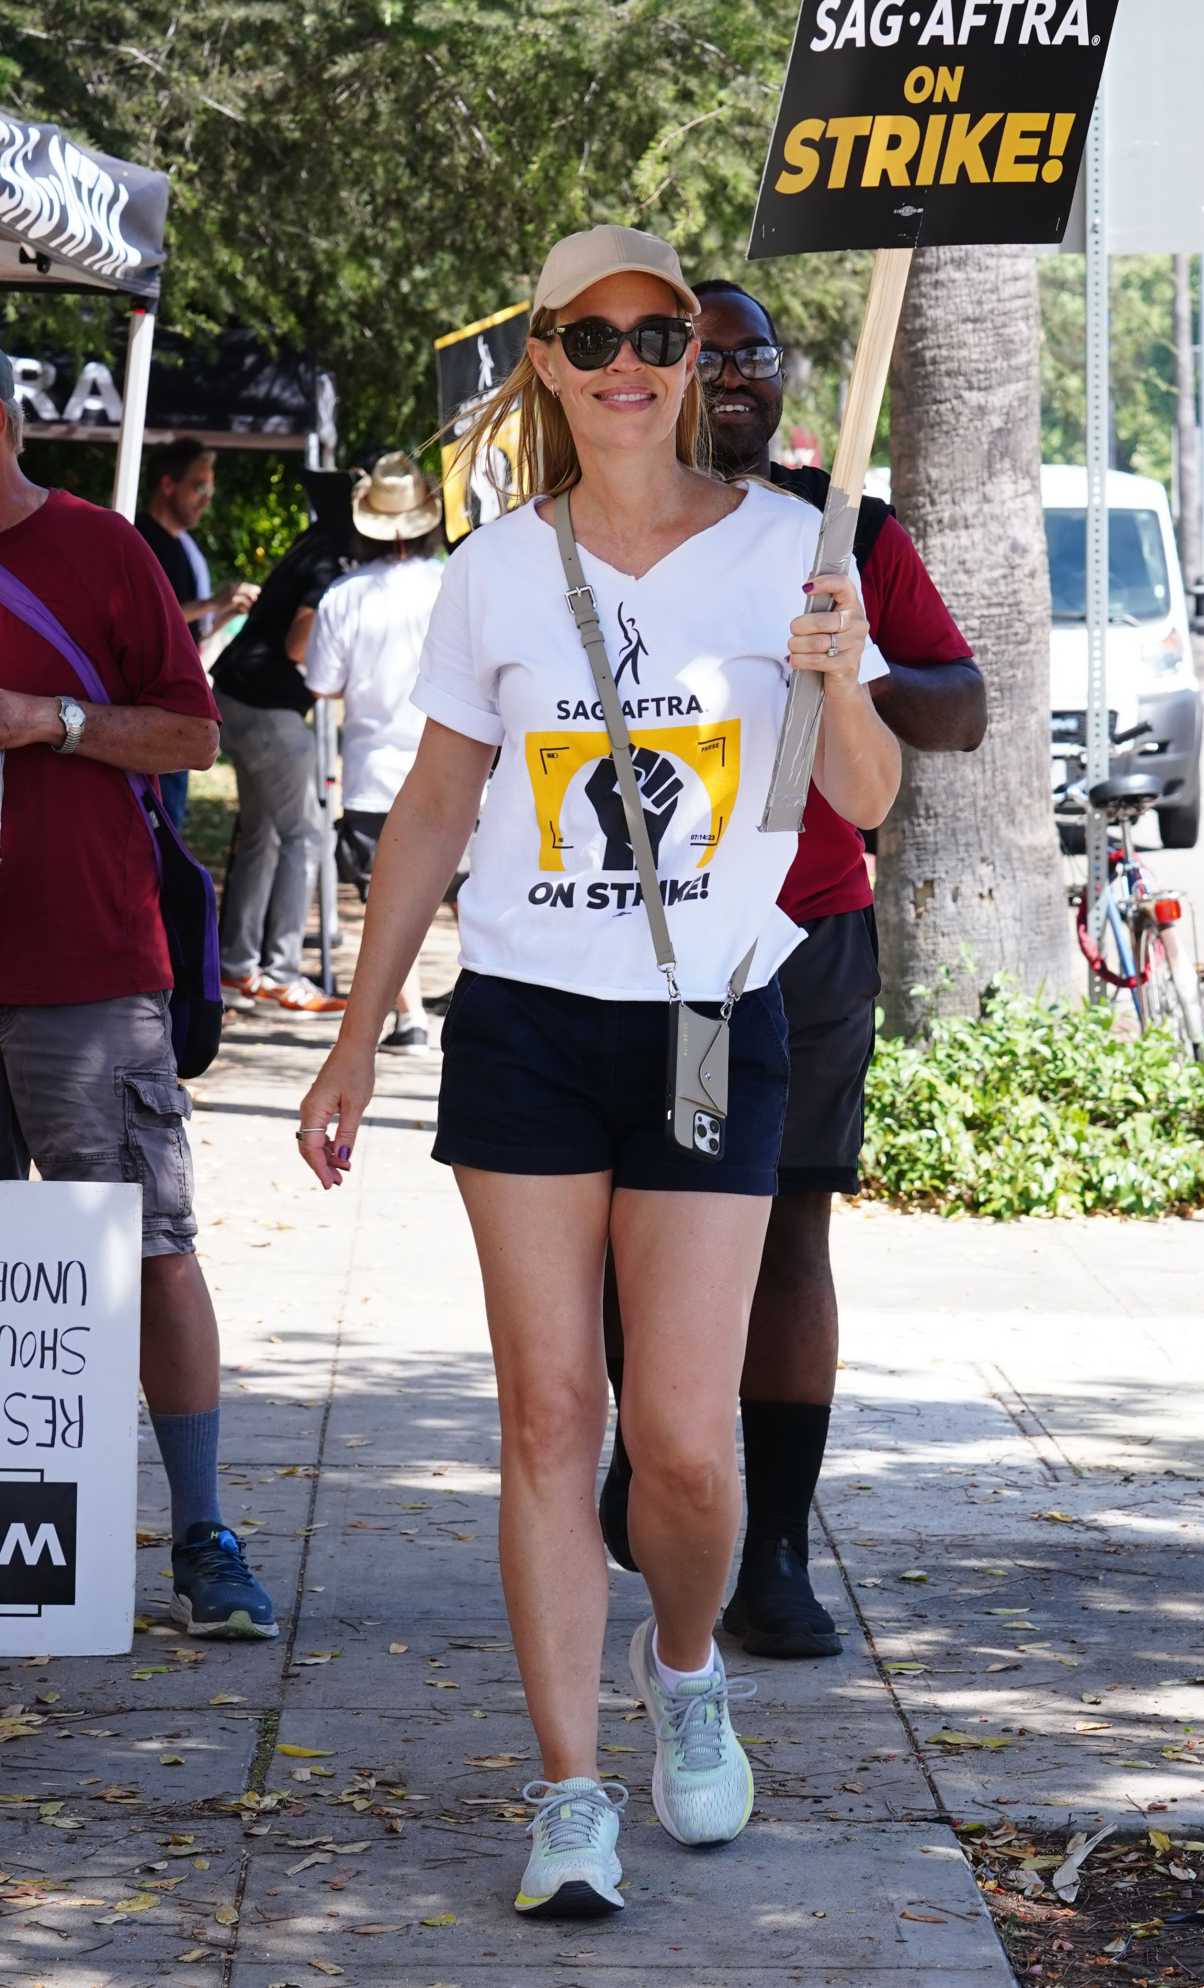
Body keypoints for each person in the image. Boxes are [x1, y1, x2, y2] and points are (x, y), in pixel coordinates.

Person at [296, 226, 901, 1918]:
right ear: (547, 365)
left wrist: (837, 668)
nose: (632, 360)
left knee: (688, 1447)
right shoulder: (496, 570)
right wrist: (359, 1032)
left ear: (698, 360)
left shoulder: (794, 545)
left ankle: (686, 1659)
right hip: (529, 1023)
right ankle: (569, 1793)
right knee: (550, 1414)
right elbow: (430, 808)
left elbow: (861, 801)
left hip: (711, 1015)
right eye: (594, 336)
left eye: (663, 332)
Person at [598, 278, 987, 1658]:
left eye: (756, 355)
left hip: (802, 944)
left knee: (785, 1233)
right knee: (647, 1227)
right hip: (668, 953)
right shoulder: (622, 535)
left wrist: (847, 670)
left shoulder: (849, 537)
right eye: (709, 358)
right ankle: (652, 1447)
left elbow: (963, 705)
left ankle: (771, 1550)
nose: (737, 378)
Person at [0, 348, 276, 1639]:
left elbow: (191, 735)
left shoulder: (105, 553)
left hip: (87, 968)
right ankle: (31, 1555)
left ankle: (202, 1534)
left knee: (147, 1251)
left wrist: (50, 720)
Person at [303, 453, 444, 1055]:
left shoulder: (344, 595)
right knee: (469, 892)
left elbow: (321, 683)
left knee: (385, 898)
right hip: (462, 768)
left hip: (376, 772)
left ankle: (409, 1014)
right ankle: (468, 996)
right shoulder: (459, 579)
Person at [210, 497, 350, 1016]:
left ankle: (237, 967)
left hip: (234, 693)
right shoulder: (333, 559)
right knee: (304, 834)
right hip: (268, 704)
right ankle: (283, 972)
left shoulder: (313, 541)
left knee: (263, 834)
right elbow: (297, 645)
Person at [135, 438, 260, 830]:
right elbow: (145, 620)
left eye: (210, 489)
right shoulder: (136, 537)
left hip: (178, 712)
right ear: (167, 484)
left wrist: (224, 611)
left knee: (171, 830)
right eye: (198, 487)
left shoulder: (186, 548)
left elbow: (190, 637)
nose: (206, 499)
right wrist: (212, 603)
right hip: (144, 711)